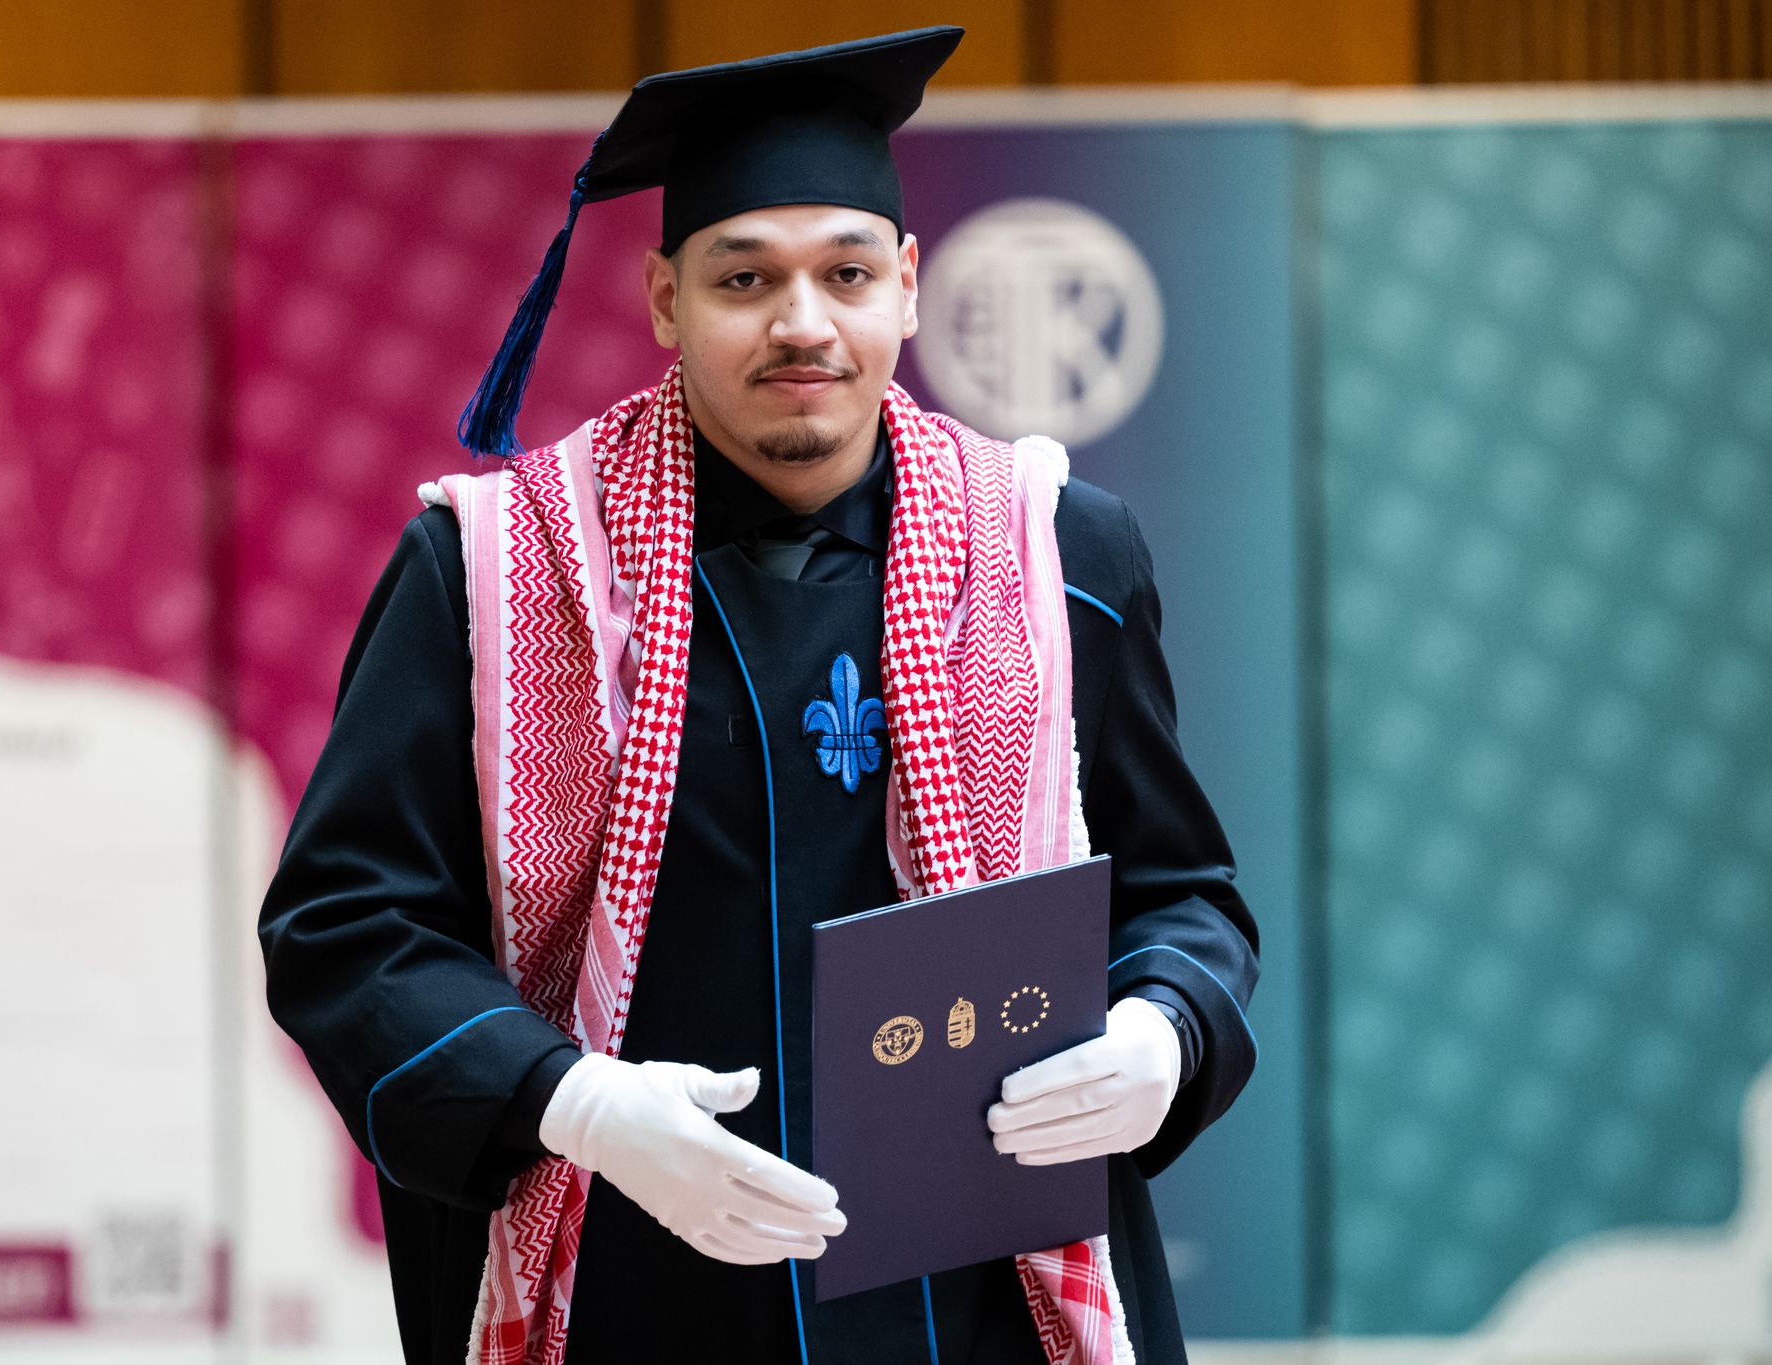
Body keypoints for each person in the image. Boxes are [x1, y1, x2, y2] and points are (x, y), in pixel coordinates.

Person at [258, 26, 1257, 1365]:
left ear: (907, 287)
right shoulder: (495, 571)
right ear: (665, 300)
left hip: (979, 1306)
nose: (803, 324)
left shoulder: (1057, 552)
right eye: (745, 278)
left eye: (847, 272)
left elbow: (1179, 892)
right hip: (635, 1289)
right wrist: (569, 1101)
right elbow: (344, 927)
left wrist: (1161, 1030)